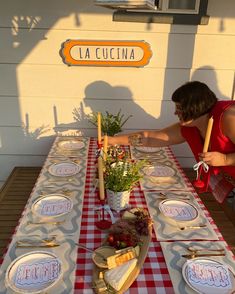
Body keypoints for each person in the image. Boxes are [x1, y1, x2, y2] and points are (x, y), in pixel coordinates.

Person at [107, 81, 235, 204]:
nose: (175, 112)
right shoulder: (190, 127)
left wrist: (225, 159)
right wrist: (112, 140)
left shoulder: (229, 119)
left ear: (194, 107)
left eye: (179, 108)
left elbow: (225, 159)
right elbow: (148, 138)